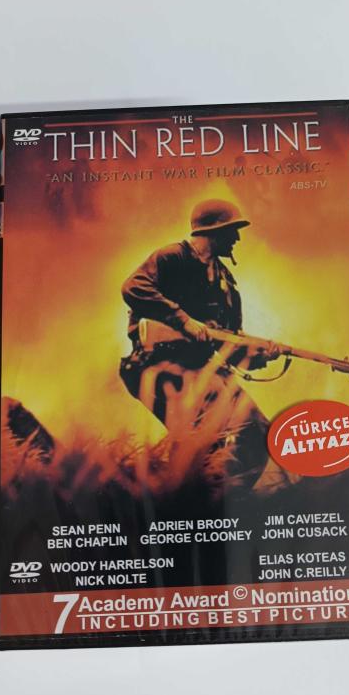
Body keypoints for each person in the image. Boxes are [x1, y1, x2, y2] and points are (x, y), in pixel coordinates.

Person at [119, 199, 279, 493]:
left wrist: (259, 355)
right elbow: (133, 287)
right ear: (214, 231)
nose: (237, 238)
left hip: (202, 369)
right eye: (232, 230)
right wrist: (184, 321)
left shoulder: (226, 282)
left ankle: (220, 497)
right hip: (158, 364)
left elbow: (229, 341)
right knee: (205, 437)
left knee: (258, 432)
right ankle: (183, 497)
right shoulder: (172, 258)